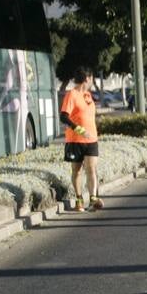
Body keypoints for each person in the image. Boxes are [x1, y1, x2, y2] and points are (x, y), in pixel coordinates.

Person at [60, 66, 104, 211]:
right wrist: (79, 129)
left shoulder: (88, 95)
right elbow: (63, 117)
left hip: (91, 139)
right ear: (87, 78)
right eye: (92, 78)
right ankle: (79, 199)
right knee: (77, 170)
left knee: (91, 168)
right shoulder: (71, 95)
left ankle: (93, 199)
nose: (92, 81)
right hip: (75, 140)